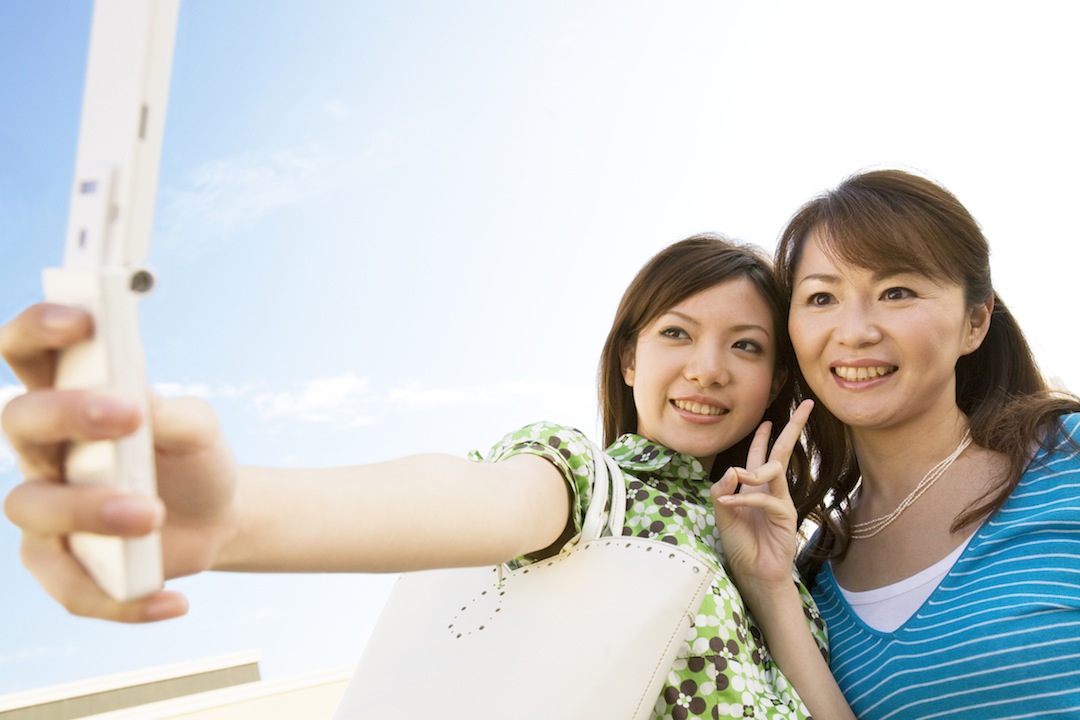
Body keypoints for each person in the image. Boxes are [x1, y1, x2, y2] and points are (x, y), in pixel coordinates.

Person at [1, 234, 854, 719]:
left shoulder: (790, 563)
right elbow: (480, 499)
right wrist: (235, 516)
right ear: (630, 358)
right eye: (678, 333)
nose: (708, 367)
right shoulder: (595, 485)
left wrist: (773, 586)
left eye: (746, 346)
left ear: (778, 381)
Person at [715, 169, 1080, 719]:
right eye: (821, 298)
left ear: (974, 323)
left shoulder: (1067, 459)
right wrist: (771, 589)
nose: (855, 330)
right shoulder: (811, 575)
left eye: (897, 292)